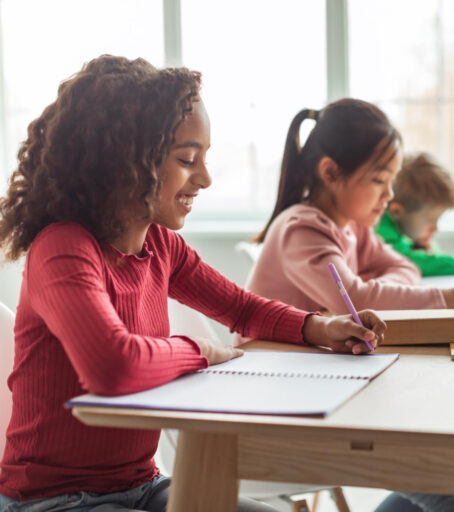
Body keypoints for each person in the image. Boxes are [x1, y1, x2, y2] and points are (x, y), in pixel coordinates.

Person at [0, 55, 383, 512]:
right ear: (124, 159)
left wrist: (320, 328)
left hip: (143, 487)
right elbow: (112, 368)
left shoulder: (160, 245)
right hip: (53, 501)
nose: (203, 178)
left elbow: (243, 309)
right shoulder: (62, 248)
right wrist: (201, 352)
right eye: (187, 159)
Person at [243, 98, 454, 511]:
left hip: (328, 393)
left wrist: (370, 287)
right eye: (379, 180)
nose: (390, 194)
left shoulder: (353, 229)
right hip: (281, 415)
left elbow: (403, 267)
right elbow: (360, 300)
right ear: (330, 173)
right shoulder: (301, 228)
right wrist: (448, 299)